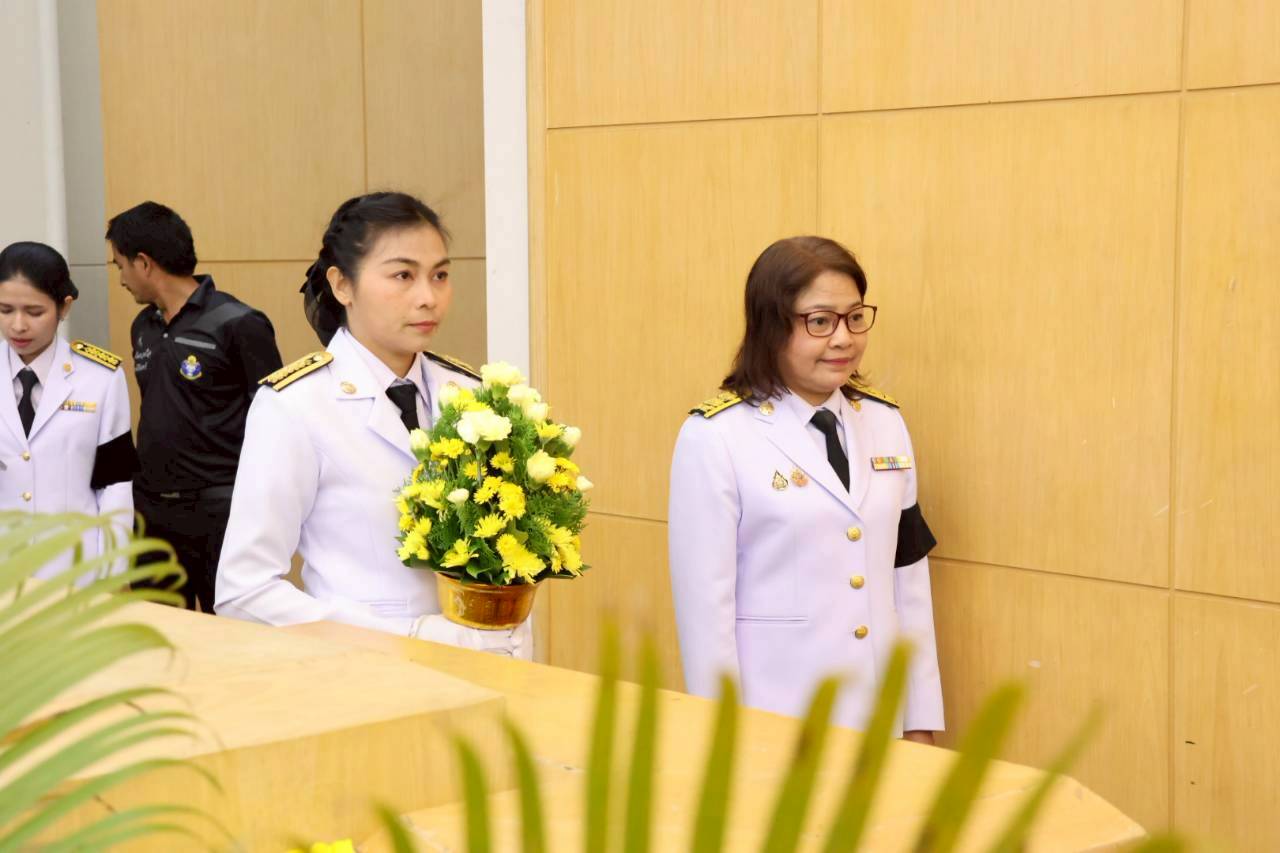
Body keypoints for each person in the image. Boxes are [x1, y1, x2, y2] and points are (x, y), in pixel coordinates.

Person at [214, 191, 529, 657]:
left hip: (486, 668)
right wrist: (409, 639)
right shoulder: (297, 405)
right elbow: (244, 591)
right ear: (342, 285)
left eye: (440, 275)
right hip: (366, 671)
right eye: (403, 275)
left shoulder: (472, 393)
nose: (428, 297)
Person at [668, 236, 943, 741]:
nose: (843, 339)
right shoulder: (716, 436)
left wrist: (920, 718)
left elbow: (909, 581)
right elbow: (706, 614)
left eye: (855, 318)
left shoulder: (884, 422)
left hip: (879, 721)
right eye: (820, 322)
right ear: (771, 326)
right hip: (776, 722)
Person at [107, 201, 283, 610]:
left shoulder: (238, 322)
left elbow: (276, 421)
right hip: (152, 514)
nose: (121, 279)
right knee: (161, 633)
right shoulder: (143, 326)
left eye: (121, 266)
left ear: (144, 263)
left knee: (232, 631)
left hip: (221, 513)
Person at [0, 241, 137, 577]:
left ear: (64, 307)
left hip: (75, 570)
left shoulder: (100, 378)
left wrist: (114, 571)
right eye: (5, 310)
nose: (18, 325)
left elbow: (115, 486)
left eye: (34, 312)